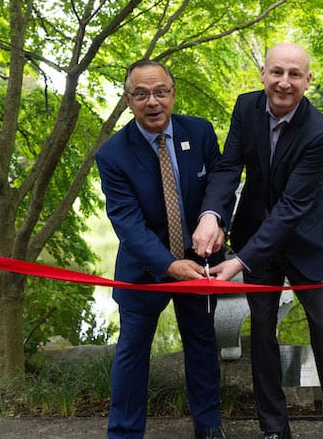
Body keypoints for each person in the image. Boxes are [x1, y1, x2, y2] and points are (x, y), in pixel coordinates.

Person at [192, 43, 323, 439]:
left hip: (303, 239)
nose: (284, 82)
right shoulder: (245, 108)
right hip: (253, 233)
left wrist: (239, 261)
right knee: (261, 330)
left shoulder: (320, 132)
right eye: (277, 72)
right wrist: (212, 214)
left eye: (294, 74)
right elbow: (229, 168)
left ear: (307, 81)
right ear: (263, 74)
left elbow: (291, 207)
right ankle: (274, 428)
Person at [96, 60, 228, 439]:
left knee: (202, 344)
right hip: (145, 268)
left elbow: (220, 185)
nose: (152, 102)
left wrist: (218, 221)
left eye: (160, 92)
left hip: (201, 263)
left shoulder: (199, 132)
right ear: (128, 99)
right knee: (132, 352)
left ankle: (209, 426)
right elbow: (128, 224)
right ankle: (124, 433)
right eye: (141, 94)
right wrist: (169, 265)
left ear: (172, 93)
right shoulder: (113, 154)